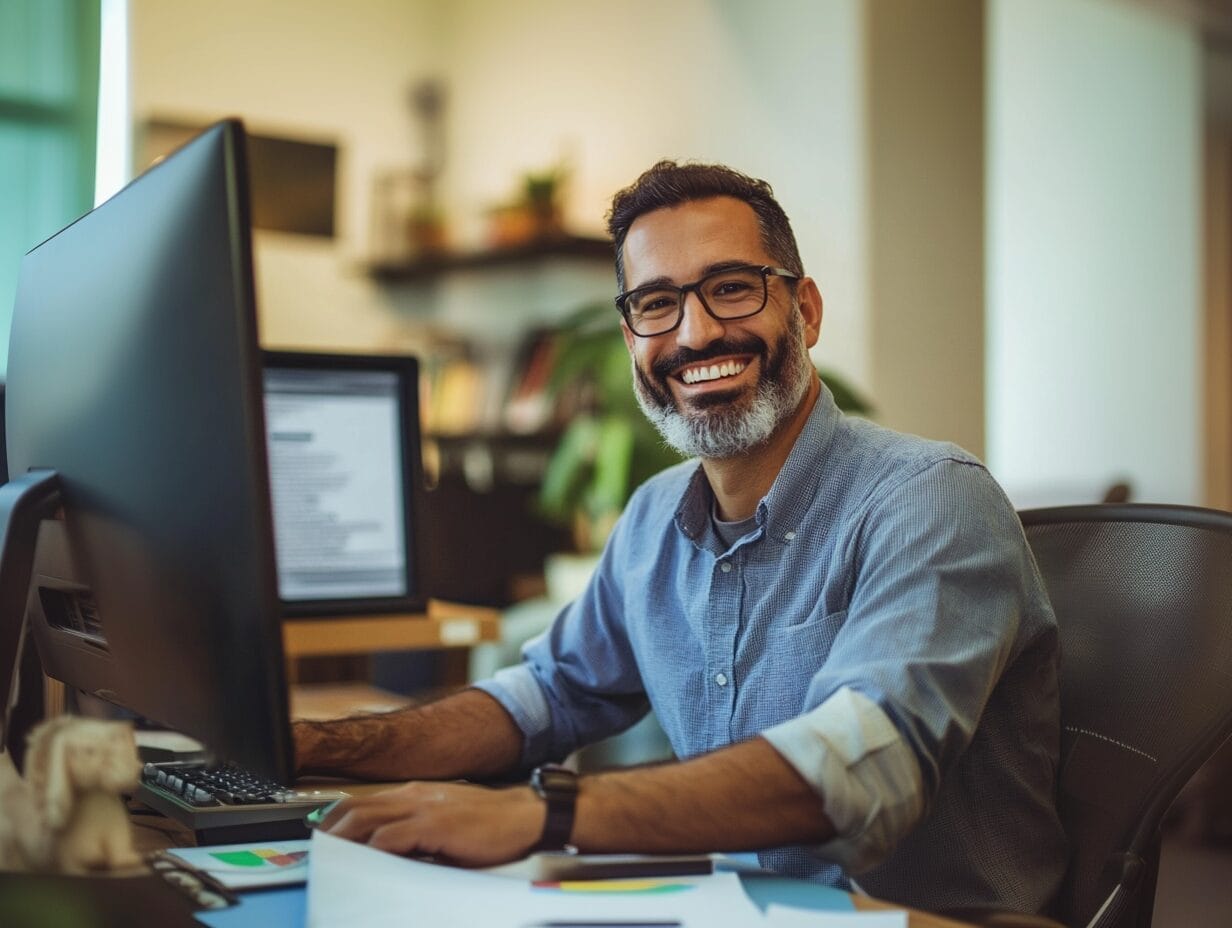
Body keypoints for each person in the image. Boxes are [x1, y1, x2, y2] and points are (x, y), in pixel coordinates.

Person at [295, 161, 1067, 916]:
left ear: (806, 312)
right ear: (631, 336)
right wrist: (322, 748)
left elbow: (856, 770)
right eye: (656, 304)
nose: (695, 334)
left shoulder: (929, 498)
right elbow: (545, 698)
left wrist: (543, 815)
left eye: (731, 288)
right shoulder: (654, 518)